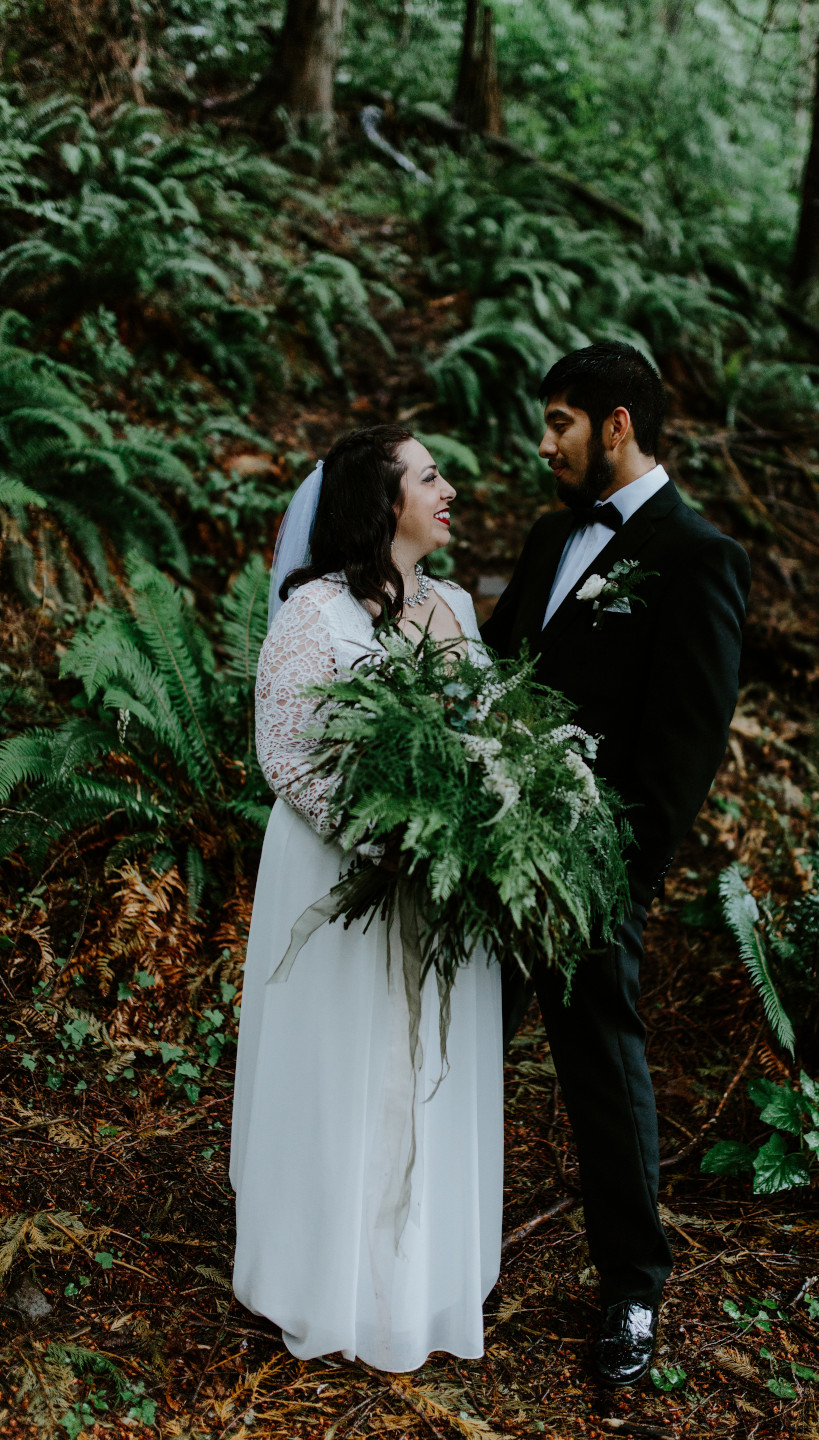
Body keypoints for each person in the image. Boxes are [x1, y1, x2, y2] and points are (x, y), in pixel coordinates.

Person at [482, 341, 750, 1387]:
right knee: (458, 1051)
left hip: (593, 871)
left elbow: (685, 747)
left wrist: (615, 880)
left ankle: (633, 1289)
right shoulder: (553, 535)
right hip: (497, 853)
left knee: (602, 1072)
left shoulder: (696, 557)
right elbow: (501, 664)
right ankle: (432, 1248)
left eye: (560, 422)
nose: (545, 442)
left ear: (619, 425)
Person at [230, 425, 503, 1372]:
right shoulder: (317, 615)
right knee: (342, 1062)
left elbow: (491, 739)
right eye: (431, 475)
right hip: (342, 876)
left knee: (425, 1065)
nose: (450, 488)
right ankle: (321, 1276)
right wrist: (390, 840)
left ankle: (414, 1276)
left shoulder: (461, 610)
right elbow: (288, 748)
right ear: (385, 500)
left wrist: (473, 833)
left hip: (440, 882)